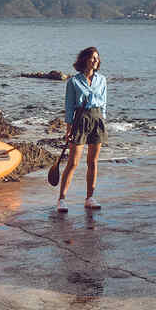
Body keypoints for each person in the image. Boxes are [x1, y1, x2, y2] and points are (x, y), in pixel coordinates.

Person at [57, 47, 108, 212]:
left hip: (97, 119)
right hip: (80, 120)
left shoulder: (102, 80)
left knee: (93, 162)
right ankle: (62, 199)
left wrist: (102, 121)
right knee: (73, 162)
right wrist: (69, 128)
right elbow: (69, 106)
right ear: (84, 59)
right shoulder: (73, 81)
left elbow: (104, 103)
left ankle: (90, 198)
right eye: (92, 57)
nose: (95, 60)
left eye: (97, 58)